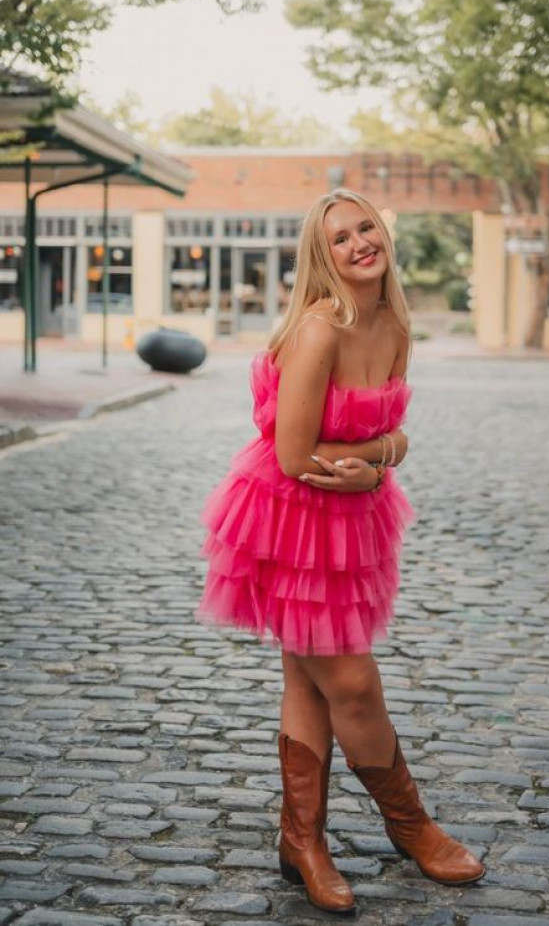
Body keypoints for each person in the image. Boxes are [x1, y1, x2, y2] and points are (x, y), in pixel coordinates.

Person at [196, 189, 485, 914]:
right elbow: (292, 454)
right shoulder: (320, 330)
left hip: (352, 516)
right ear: (321, 257)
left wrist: (381, 462)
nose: (360, 243)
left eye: (367, 227)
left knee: (309, 681)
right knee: (352, 684)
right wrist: (371, 465)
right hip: (292, 517)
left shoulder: (394, 321)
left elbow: (397, 434)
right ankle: (411, 826)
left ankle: (303, 839)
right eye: (341, 237)